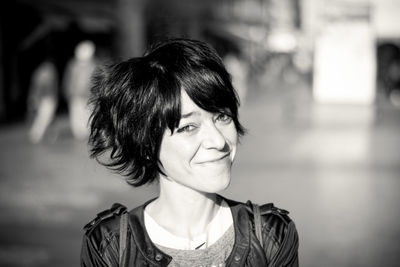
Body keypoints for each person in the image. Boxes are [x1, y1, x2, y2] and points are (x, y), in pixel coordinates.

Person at [81, 38, 299, 266]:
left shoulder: (270, 235)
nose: (218, 141)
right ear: (146, 144)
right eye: (188, 127)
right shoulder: (110, 246)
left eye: (222, 117)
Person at [62, 40, 97, 140]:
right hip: (75, 94)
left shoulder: (93, 65)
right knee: (76, 113)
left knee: (88, 113)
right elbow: (68, 79)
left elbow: (94, 80)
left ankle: (87, 131)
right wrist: (67, 90)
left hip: (88, 95)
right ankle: (79, 132)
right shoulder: (73, 65)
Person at [27, 58, 59, 143]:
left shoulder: (41, 73)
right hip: (45, 99)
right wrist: (35, 99)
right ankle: (36, 134)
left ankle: (50, 134)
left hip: (47, 98)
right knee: (44, 117)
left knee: (48, 117)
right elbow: (38, 88)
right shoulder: (43, 74)